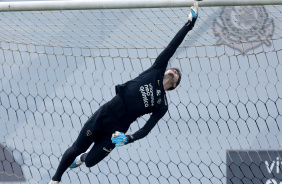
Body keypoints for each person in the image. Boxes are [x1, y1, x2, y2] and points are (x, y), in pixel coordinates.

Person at [49, 2, 198, 183]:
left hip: (117, 130)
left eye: (178, 75)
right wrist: (189, 25)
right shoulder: (157, 69)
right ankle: (55, 180)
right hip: (106, 113)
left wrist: (128, 138)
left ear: (174, 86)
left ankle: (82, 159)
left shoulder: (162, 105)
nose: (176, 71)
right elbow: (173, 46)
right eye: (175, 69)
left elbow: (145, 130)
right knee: (76, 148)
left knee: (90, 162)